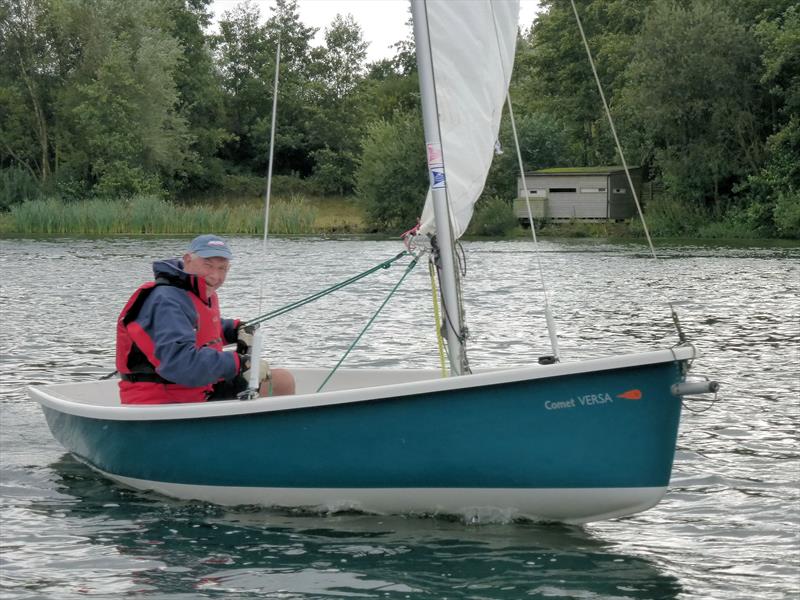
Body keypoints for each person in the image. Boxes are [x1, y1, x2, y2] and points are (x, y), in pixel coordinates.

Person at [115, 234, 295, 404]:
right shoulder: (166, 300)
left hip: (196, 390)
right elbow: (181, 364)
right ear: (187, 260)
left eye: (222, 268)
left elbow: (199, 328)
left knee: (281, 381)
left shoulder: (196, 291)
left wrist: (234, 330)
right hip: (165, 402)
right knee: (281, 382)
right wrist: (238, 363)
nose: (215, 276)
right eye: (208, 265)